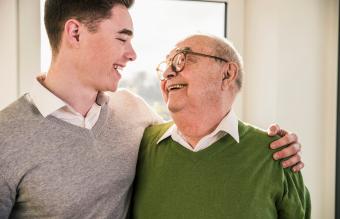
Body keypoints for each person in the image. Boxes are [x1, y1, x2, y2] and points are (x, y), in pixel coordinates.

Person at [0, 1, 302, 218]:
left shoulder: (133, 112)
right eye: (122, 38)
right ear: (75, 33)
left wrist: (276, 145)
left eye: (182, 60)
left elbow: (203, 132)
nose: (132, 54)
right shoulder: (6, 135)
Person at [131, 34, 311, 218]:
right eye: (166, 64)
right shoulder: (138, 144)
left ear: (227, 74)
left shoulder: (277, 154)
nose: (168, 72)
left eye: (181, 59)